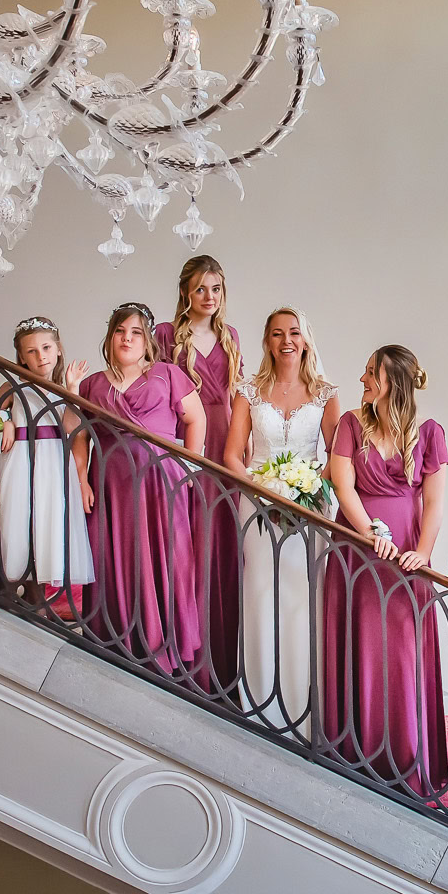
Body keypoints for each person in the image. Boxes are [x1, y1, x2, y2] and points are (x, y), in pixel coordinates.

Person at [323, 345, 448, 795]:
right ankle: (356, 752)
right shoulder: (351, 425)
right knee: (359, 641)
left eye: (370, 373)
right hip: (358, 546)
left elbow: (434, 503)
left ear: (391, 381)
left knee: (402, 652)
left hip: (408, 554)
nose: (362, 379)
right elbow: (342, 484)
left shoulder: (430, 433)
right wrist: (370, 529)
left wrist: (422, 552)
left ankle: (407, 754)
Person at [73, 303, 206, 677]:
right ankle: (118, 641)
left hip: (162, 484)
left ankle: (165, 648)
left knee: (169, 559)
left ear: (147, 341)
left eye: (135, 332)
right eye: (120, 331)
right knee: (115, 557)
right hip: (111, 488)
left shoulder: (167, 374)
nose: (127, 338)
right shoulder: (91, 384)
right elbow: (79, 434)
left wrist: (186, 466)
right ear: (110, 337)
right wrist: (81, 478)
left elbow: (196, 418)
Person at [225, 307, 340, 734]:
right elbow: (232, 455)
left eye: (294, 333)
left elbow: (336, 460)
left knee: (301, 600)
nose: (286, 340)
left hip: (309, 511)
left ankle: (302, 712)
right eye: (276, 334)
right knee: (260, 594)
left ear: (306, 339)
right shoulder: (249, 391)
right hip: (257, 508)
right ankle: (260, 705)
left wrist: (307, 491)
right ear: (267, 341)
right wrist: (263, 490)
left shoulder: (327, 394)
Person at [0, 317, 92, 611]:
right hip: (19, 464)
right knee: (16, 521)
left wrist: (72, 390)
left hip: (52, 467)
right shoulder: (12, 383)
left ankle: (36, 601)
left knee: (44, 525)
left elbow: (72, 426)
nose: (40, 356)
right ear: (21, 357)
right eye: (31, 351)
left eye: (45, 348)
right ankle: (5, 589)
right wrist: (5, 422)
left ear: (57, 350)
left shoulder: (61, 388)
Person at [157, 255, 244, 689]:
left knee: (221, 544)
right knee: (186, 542)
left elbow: (238, 398)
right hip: (188, 436)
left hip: (224, 439)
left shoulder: (231, 337)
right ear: (185, 293)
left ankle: (224, 659)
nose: (209, 298)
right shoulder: (167, 336)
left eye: (216, 289)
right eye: (200, 290)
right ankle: (185, 652)